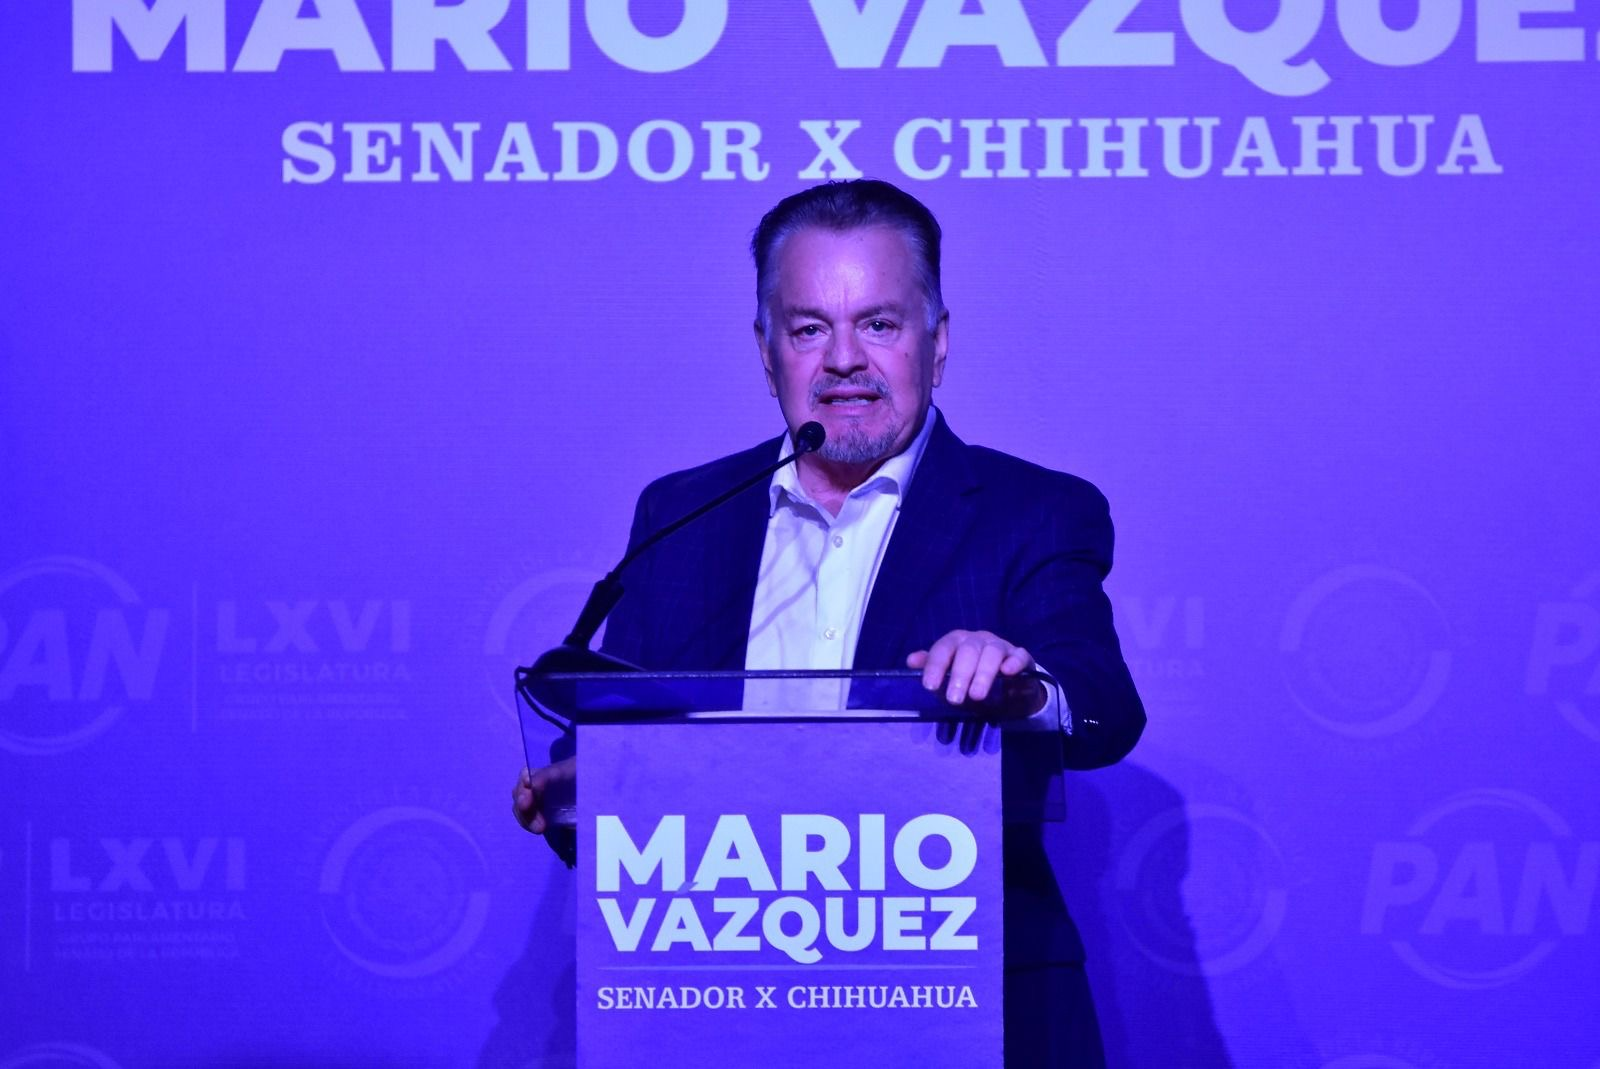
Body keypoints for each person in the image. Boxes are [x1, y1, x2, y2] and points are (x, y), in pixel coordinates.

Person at [514, 179, 1145, 1067]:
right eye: (809, 328)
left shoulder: (1033, 510)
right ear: (766, 351)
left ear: (938, 341)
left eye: (879, 323)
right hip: (716, 1006)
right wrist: (585, 794)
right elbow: (623, 756)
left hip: (967, 1007)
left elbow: (1105, 706)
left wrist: (1022, 686)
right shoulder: (680, 514)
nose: (845, 359)